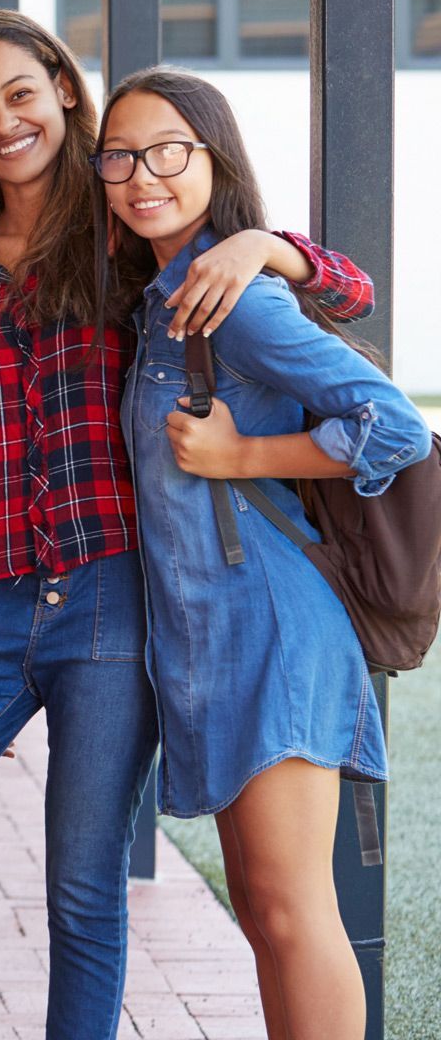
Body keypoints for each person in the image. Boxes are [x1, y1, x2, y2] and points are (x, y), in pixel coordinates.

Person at [0, 10, 374, 1040]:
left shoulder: (127, 227)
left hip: (110, 598)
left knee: (84, 892)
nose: (2, 123)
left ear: (63, 90)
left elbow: (350, 292)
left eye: (19, 94)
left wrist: (267, 243)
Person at [101, 66, 428, 1040]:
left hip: (278, 635)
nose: (142, 172)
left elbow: (396, 424)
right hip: (217, 641)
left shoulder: (233, 298)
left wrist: (244, 452)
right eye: (120, 154)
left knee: (292, 912)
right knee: (265, 911)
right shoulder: (164, 295)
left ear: (212, 157)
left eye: (169, 150)